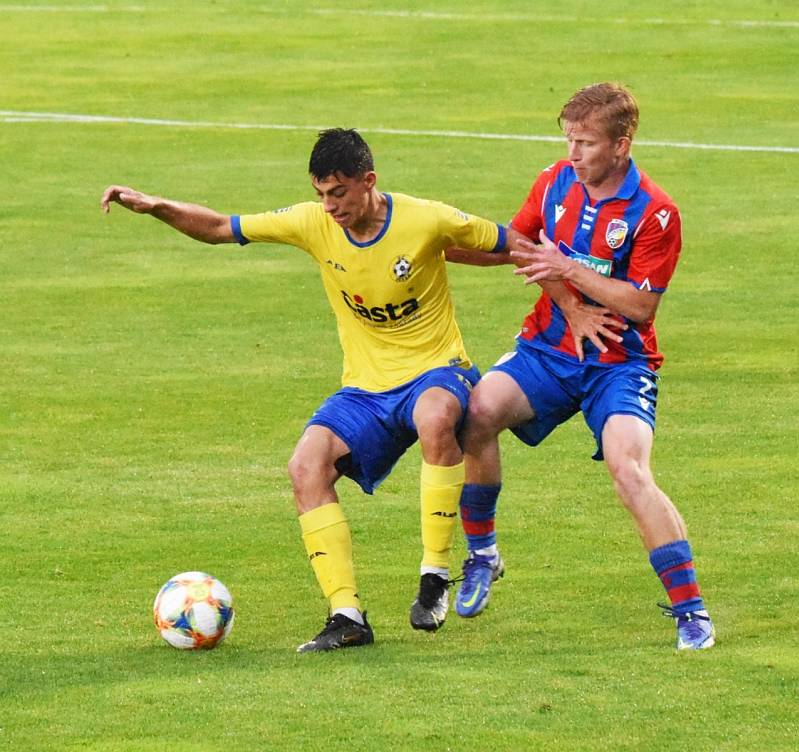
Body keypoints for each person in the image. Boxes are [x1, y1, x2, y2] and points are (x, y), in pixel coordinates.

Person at [101, 128, 561, 653]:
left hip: (438, 370)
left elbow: (516, 246)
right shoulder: (312, 223)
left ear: (369, 181)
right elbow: (216, 229)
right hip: (365, 389)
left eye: (338, 193)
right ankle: (347, 615)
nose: (330, 205)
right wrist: (155, 204)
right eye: (321, 193)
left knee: (435, 417)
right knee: (305, 466)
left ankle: (434, 576)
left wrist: (572, 301)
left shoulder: (426, 218)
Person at [452, 83, 715, 650]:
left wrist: (568, 269)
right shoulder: (554, 181)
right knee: (476, 412)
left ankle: (691, 610)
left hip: (620, 364)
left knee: (629, 470)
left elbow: (641, 305)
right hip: (548, 350)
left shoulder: (656, 213)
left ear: (621, 145)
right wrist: (570, 306)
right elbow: (523, 243)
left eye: (585, 143)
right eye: (568, 139)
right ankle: (482, 555)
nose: (572, 153)